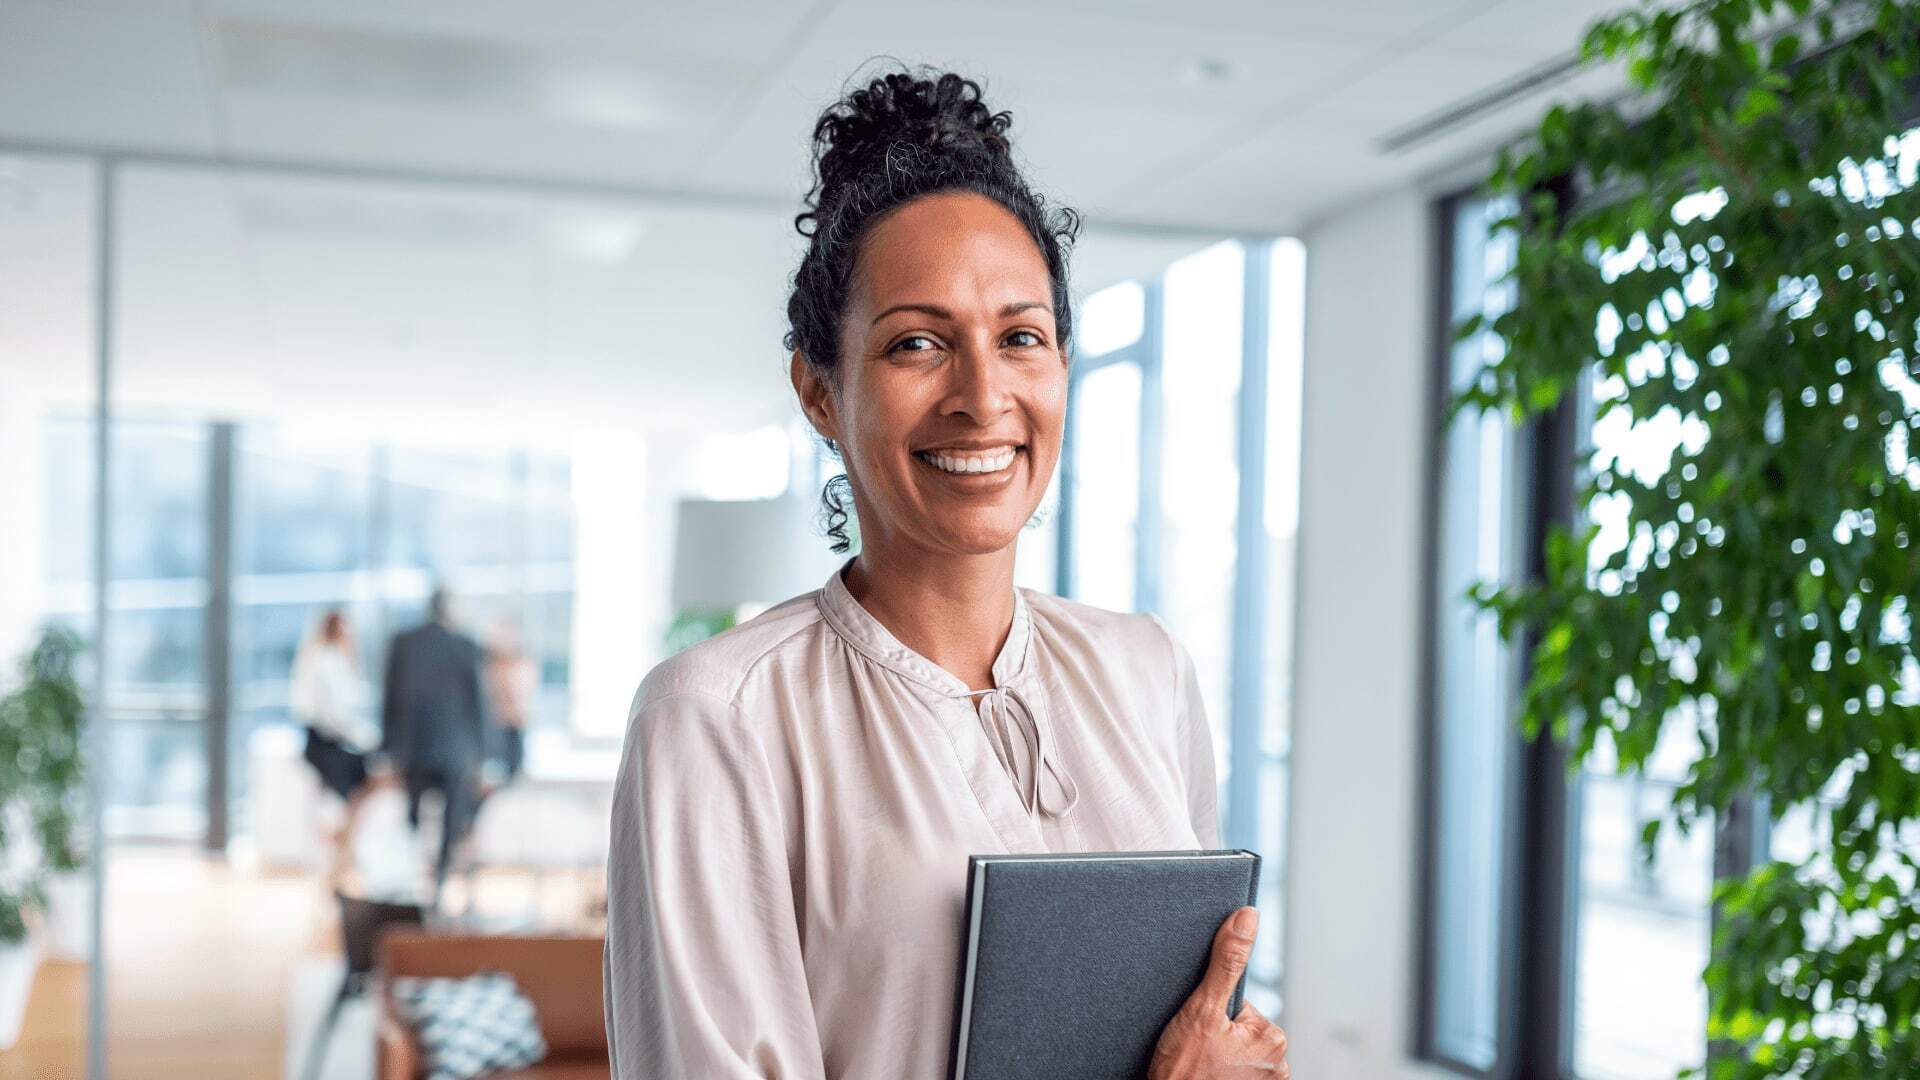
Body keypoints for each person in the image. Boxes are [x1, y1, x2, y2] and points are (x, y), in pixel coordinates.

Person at [603, 69, 1291, 1080]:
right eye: (917, 343)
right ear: (820, 390)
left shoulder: (1145, 669)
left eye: (1021, 337)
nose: (983, 395)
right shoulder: (718, 718)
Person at [380, 586, 488, 892]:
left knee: (412, 818)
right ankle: (438, 881)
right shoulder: (465, 646)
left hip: (413, 749)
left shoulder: (404, 643)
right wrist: (481, 754)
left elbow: (390, 699)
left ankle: (413, 882)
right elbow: (478, 705)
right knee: (451, 821)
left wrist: (388, 748)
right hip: (456, 751)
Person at [289, 609, 376, 867]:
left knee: (352, 799)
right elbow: (334, 716)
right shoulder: (326, 662)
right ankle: (340, 848)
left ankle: (342, 849)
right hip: (326, 744)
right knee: (354, 794)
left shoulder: (329, 660)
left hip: (331, 741)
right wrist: (364, 739)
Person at [482, 617, 536, 782]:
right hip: (496, 730)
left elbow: (521, 696)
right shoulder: (489, 664)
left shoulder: (522, 662)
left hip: (515, 727)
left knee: (513, 774)